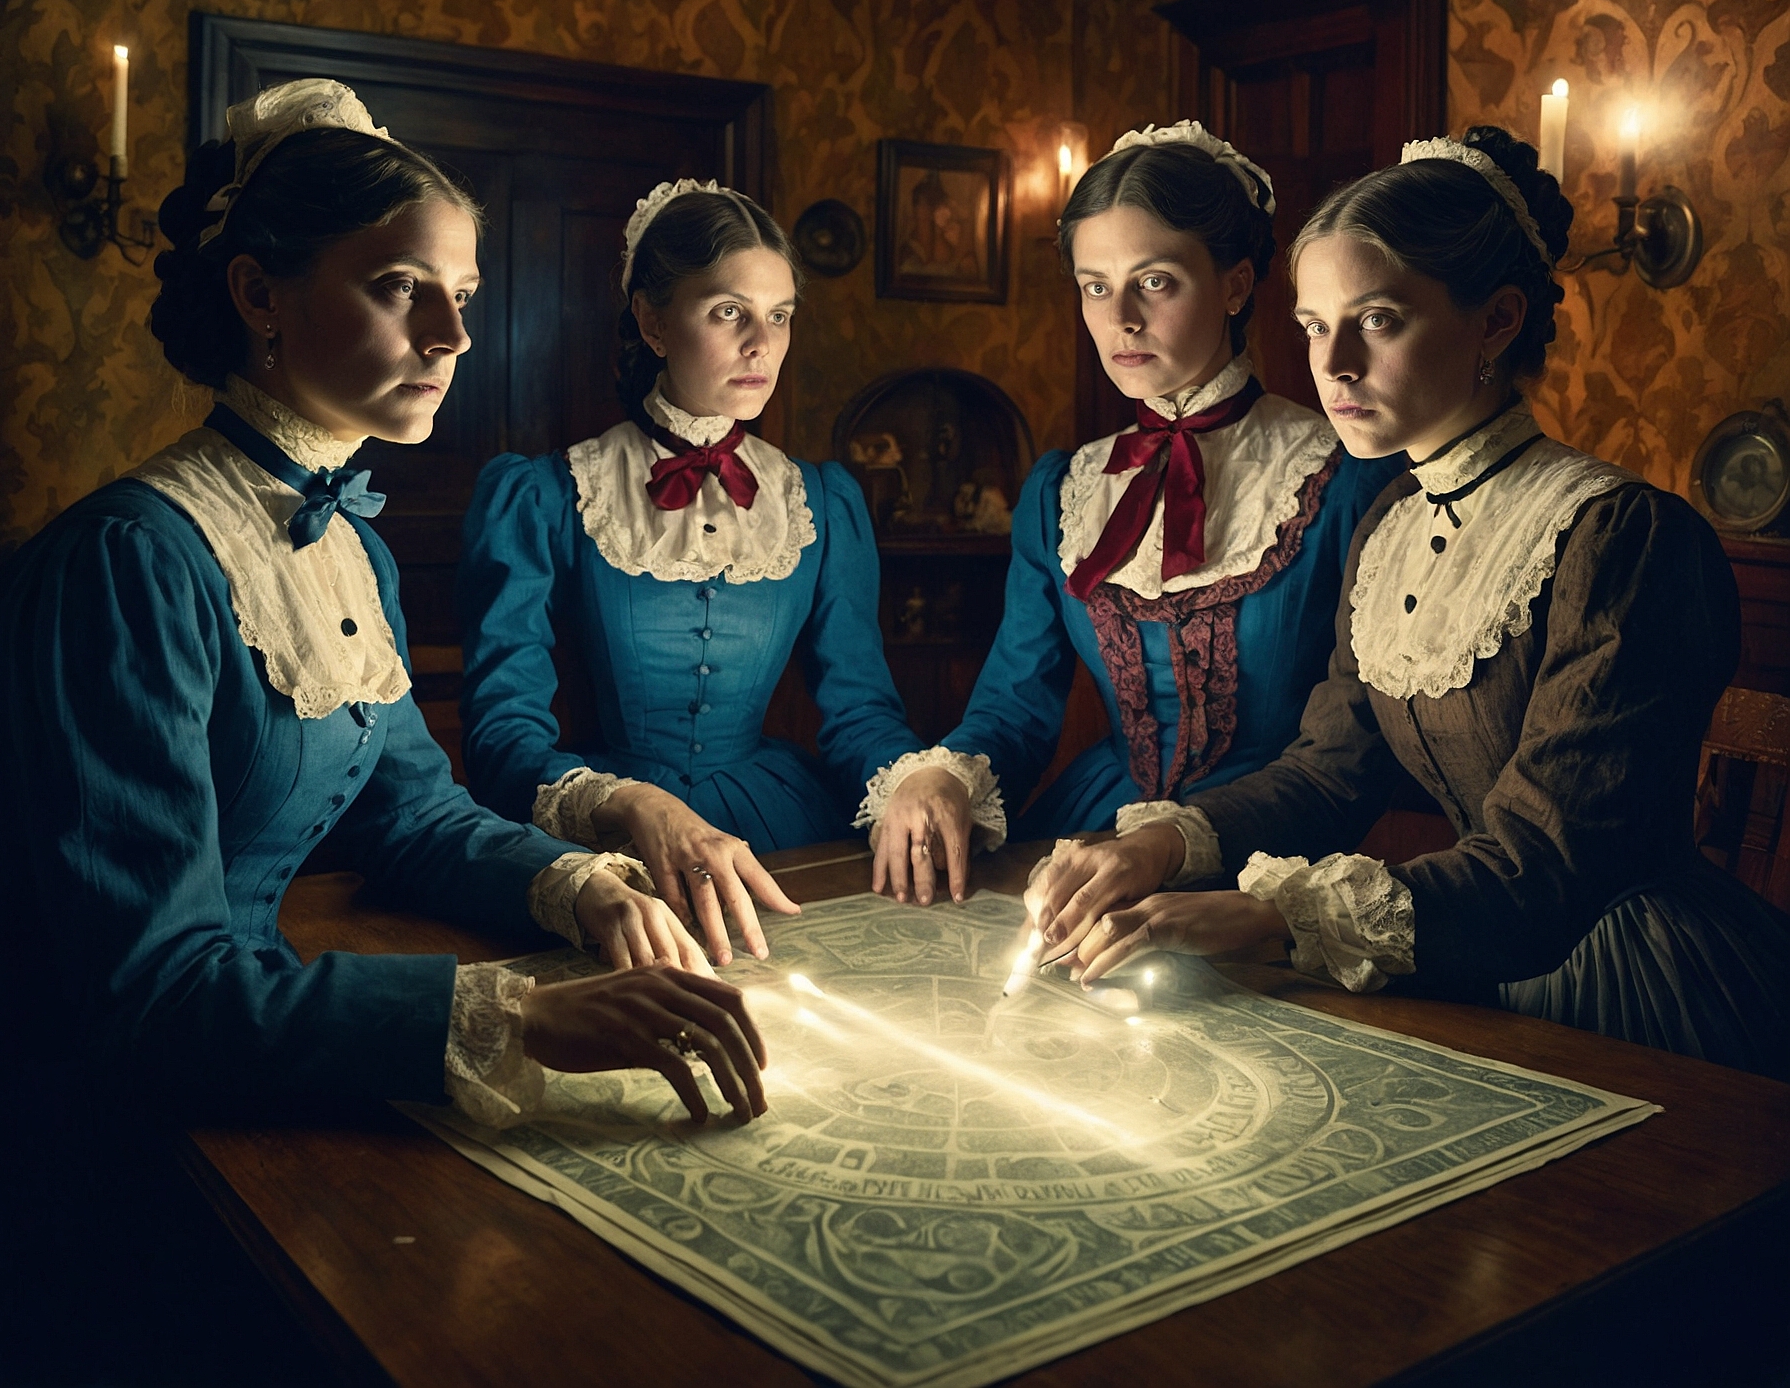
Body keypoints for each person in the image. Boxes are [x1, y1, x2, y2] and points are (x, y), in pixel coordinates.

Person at [0, 80, 767, 1139]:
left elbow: (411, 814)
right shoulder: (129, 564)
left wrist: (580, 886)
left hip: (274, 1047)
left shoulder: (350, 544)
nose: (451, 333)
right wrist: (521, 1017)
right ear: (260, 294)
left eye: (464, 291)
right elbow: (154, 992)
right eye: (402, 288)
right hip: (123, 1114)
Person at [1024, 125, 1790, 1079]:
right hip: (1467, 959)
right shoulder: (1389, 521)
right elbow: (1329, 773)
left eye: (1378, 320)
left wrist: (1270, 914)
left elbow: (1546, 864)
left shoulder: (1626, 537)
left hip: (1627, 985)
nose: (1334, 363)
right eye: (1312, 325)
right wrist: (1164, 846)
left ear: (1498, 320)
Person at [861, 122, 1405, 904]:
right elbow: (1015, 704)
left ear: (1236, 284)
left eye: (1154, 281)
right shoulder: (1062, 492)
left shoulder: (1346, 477)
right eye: (1094, 285)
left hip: (1285, 854)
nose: (1120, 318)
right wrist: (943, 777)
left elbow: (1358, 747)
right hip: (1088, 831)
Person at [457, 180, 934, 964]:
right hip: (614, 837)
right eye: (728, 312)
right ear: (652, 321)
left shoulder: (819, 501)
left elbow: (858, 712)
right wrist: (622, 806)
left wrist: (914, 783)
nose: (762, 344)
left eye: (779, 316)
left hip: (777, 824)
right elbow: (502, 733)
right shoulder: (546, 494)